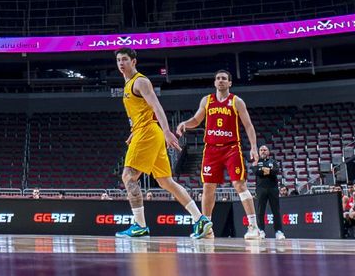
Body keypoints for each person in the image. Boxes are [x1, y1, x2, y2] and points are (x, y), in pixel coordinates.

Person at [112, 50, 208, 238]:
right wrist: (134, 132)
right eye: (118, 60)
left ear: (133, 61)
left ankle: (139, 225)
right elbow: (142, 112)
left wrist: (166, 132)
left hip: (148, 131)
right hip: (144, 131)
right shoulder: (127, 84)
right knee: (166, 181)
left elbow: (156, 106)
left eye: (124, 59)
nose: (121, 63)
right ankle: (200, 219)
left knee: (129, 177)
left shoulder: (140, 81)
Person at [176, 69, 262, 239]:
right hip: (211, 149)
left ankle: (253, 227)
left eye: (224, 78)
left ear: (230, 83)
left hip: (231, 148)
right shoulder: (207, 100)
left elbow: (248, 125)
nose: (220, 81)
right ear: (214, 82)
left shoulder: (236, 101)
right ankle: (207, 227)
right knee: (208, 187)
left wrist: (253, 147)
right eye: (218, 78)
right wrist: (184, 124)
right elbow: (196, 120)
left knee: (240, 185)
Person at [251, 143, 284, 239]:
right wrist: (269, 170)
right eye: (261, 150)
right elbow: (256, 171)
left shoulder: (273, 161)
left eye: (265, 150)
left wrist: (264, 170)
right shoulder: (256, 162)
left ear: (268, 152)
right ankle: (261, 230)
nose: (263, 151)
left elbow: (276, 171)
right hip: (261, 189)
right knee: (260, 211)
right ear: (259, 152)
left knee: (276, 211)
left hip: (273, 188)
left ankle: (279, 231)